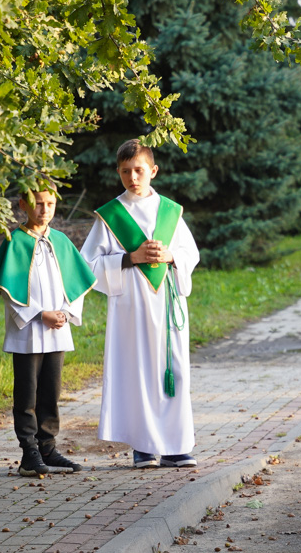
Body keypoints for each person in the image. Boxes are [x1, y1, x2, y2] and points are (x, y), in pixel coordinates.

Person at [81, 139, 200, 469]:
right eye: (125, 171)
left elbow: (191, 253)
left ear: (153, 171)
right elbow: (86, 265)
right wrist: (127, 258)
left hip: (167, 305)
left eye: (139, 170)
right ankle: (144, 446)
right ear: (118, 173)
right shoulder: (110, 215)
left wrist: (172, 255)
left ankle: (176, 446)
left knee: (173, 370)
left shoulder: (171, 212)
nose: (133, 177)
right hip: (130, 309)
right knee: (137, 373)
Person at [0, 190, 97, 477]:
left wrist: (64, 313)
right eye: (37, 203)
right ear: (23, 205)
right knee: (27, 395)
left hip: (58, 330)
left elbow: (75, 282)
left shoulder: (60, 241)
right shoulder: (15, 242)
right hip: (29, 331)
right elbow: (10, 291)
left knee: (51, 391)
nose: (44, 209)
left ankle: (47, 447)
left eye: (50, 203)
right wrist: (39, 313)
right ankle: (29, 453)